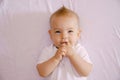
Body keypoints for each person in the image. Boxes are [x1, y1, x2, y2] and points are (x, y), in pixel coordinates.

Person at [36, 6, 93, 80]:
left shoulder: (79, 50)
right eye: (58, 31)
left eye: (70, 31)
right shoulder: (48, 51)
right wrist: (55, 58)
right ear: (51, 34)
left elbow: (86, 72)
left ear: (78, 34)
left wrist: (73, 55)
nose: (64, 36)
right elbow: (42, 72)